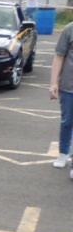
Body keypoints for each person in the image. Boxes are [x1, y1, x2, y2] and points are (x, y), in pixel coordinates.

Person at [50, 21, 73, 176]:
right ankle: (63, 152)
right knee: (67, 122)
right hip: (68, 86)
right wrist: (53, 83)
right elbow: (59, 57)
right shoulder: (69, 29)